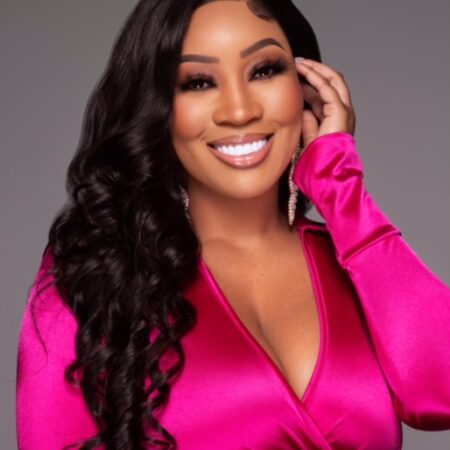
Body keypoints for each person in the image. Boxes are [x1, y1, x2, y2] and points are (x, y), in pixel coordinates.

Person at [16, 0, 450, 449]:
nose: (239, 111)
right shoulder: (96, 277)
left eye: (264, 71)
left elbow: (443, 393)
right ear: (157, 106)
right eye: (198, 82)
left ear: (305, 86)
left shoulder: (360, 265)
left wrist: (340, 186)